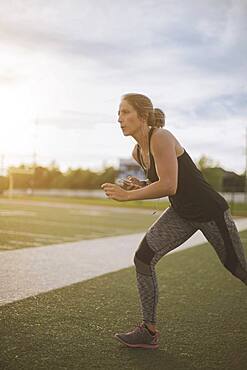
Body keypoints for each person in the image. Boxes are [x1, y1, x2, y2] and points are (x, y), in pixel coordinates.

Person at [101, 93, 247, 350]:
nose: (119, 119)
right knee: (143, 258)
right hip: (182, 212)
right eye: (118, 114)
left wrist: (128, 195)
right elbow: (164, 180)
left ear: (143, 116)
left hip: (209, 211)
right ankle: (148, 330)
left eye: (125, 113)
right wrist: (143, 184)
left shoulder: (161, 137)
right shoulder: (137, 151)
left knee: (237, 267)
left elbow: (170, 184)